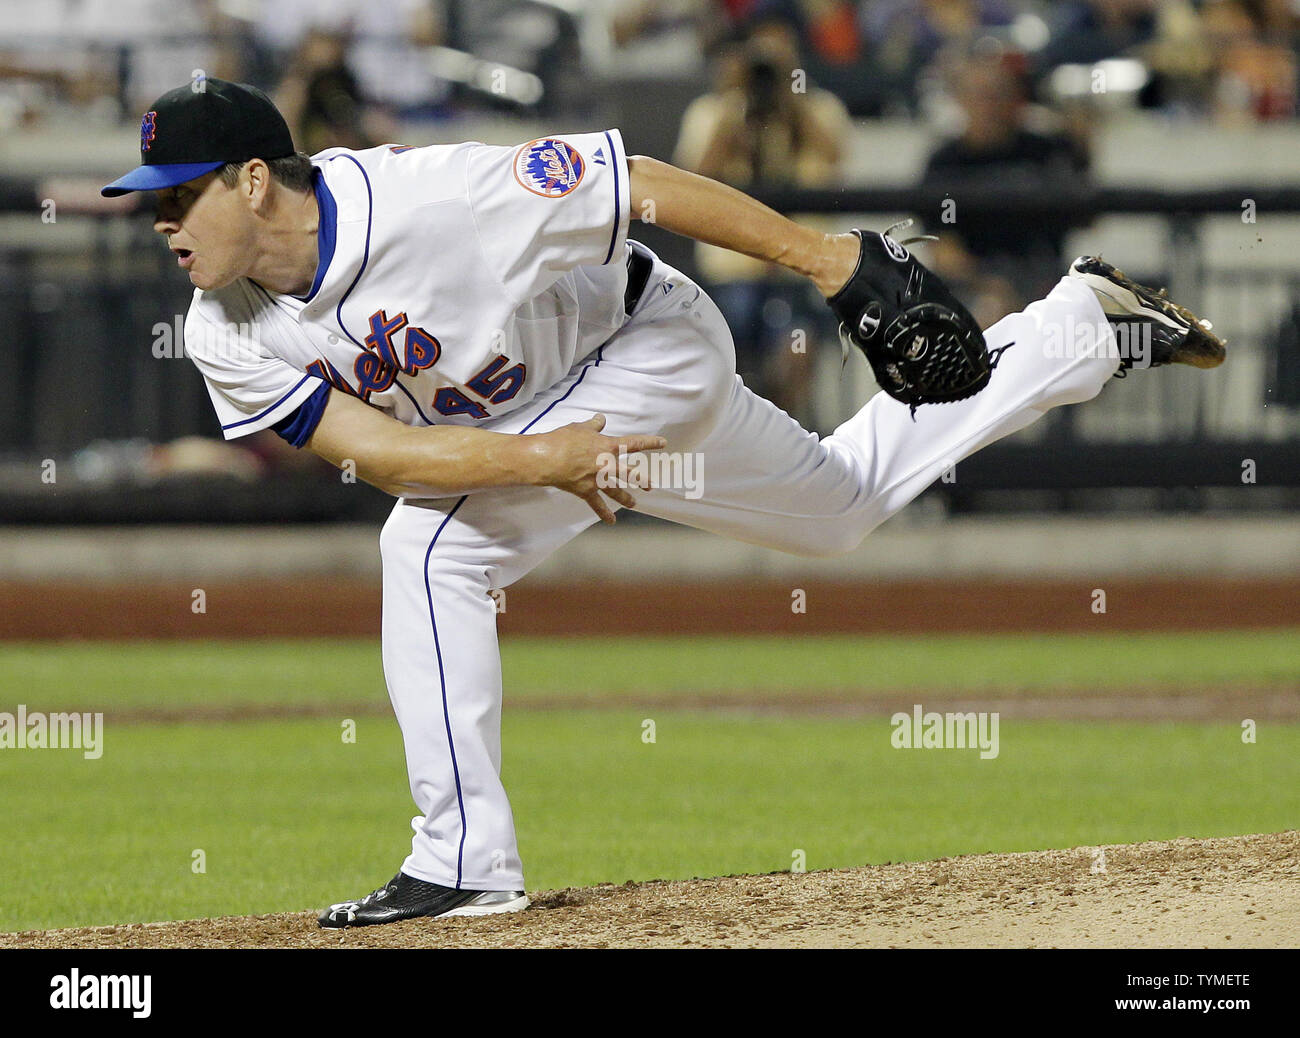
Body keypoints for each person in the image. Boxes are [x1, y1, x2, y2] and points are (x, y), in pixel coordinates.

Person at [101, 79, 1224, 927]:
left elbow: (634, 180)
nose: (162, 222)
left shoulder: (432, 197)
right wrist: (543, 462)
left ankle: (462, 863)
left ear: (255, 179)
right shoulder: (224, 329)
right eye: (151, 202)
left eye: (178, 195)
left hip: (649, 346)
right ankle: (1078, 326)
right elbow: (383, 451)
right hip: (551, 424)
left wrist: (829, 261)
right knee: (837, 509)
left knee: (434, 557)